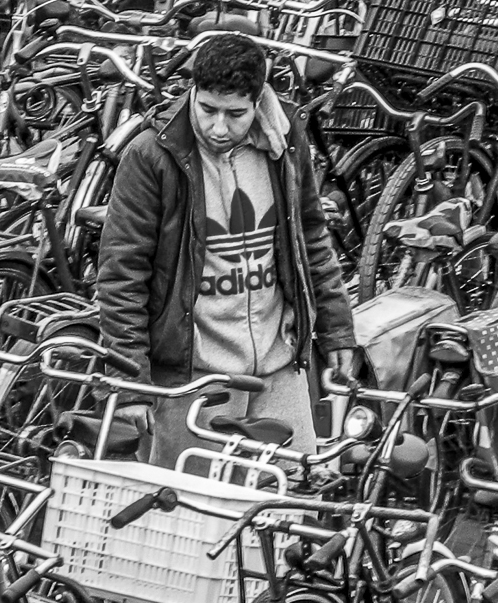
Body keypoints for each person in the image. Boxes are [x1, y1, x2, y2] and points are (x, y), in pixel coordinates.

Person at [95, 32, 356, 468]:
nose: (219, 127)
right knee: (187, 505)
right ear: (192, 91)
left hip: (278, 366)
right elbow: (122, 273)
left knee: (290, 495)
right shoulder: (152, 155)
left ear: (258, 101)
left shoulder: (286, 143)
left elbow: (311, 238)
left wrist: (336, 329)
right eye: (207, 109)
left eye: (235, 114)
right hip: (193, 379)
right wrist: (130, 384)